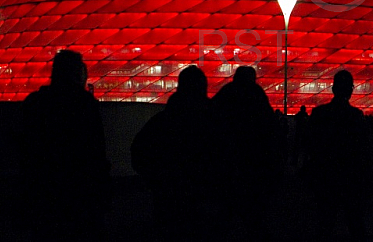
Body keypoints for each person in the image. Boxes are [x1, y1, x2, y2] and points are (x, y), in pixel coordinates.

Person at [20, 49, 111, 242]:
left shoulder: (34, 103)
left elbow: (21, 146)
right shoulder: (86, 105)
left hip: (42, 194)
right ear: (79, 73)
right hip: (79, 195)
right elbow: (96, 152)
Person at [131, 65, 227, 241]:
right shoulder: (216, 124)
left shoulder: (162, 122)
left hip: (169, 203)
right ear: (204, 89)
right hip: (207, 205)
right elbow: (227, 160)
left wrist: (157, 182)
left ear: (179, 87)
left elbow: (138, 153)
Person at [212, 65, 283, 241]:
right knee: (254, 215)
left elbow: (211, 119)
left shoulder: (226, 93)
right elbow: (270, 128)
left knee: (225, 214)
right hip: (253, 164)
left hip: (227, 164)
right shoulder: (256, 95)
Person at [304, 69, 370, 241]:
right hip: (350, 179)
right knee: (356, 225)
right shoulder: (356, 116)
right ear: (351, 90)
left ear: (333, 89)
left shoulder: (319, 114)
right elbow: (363, 150)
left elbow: (310, 144)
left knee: (324, 225)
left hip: (326, 177)